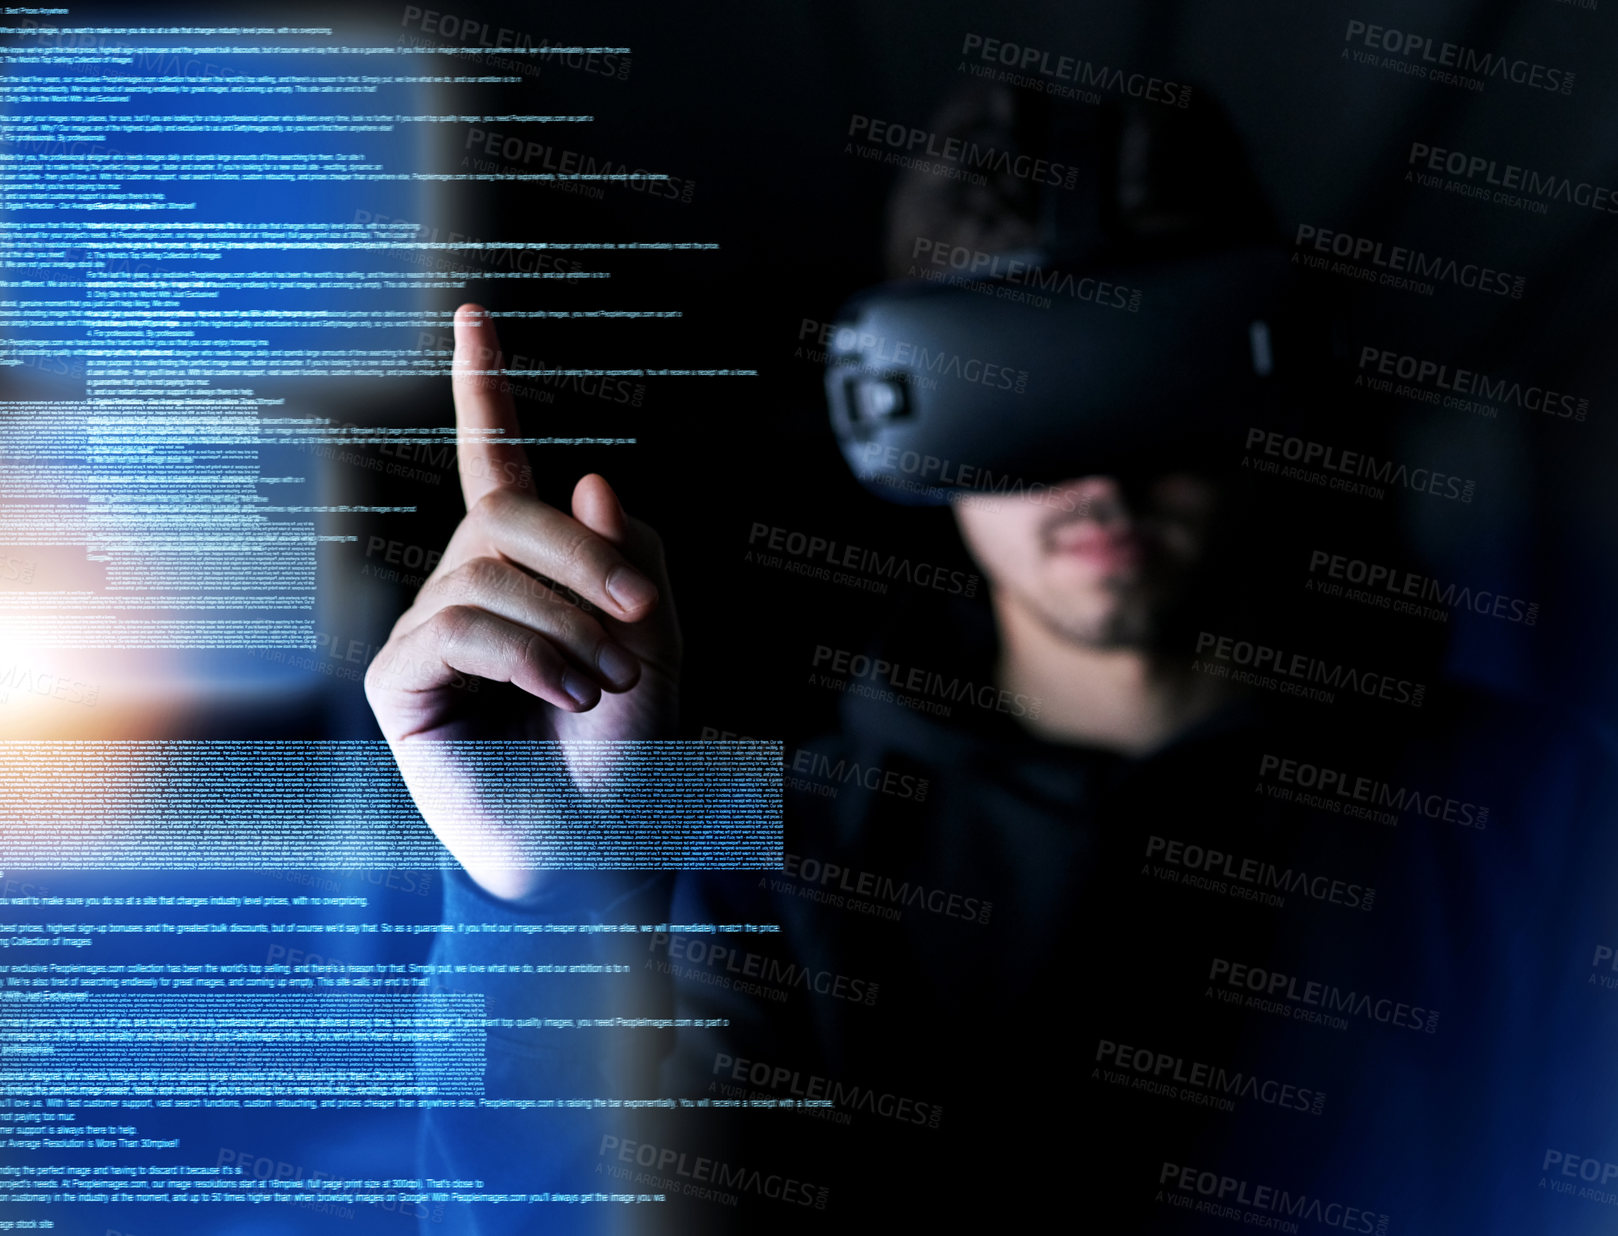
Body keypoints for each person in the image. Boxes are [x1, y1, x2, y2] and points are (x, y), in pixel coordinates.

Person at [367, 90, 1618, 1235]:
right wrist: (542, 908)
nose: (1095, 472)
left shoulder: (1537, 814)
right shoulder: (784, 853)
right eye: (1018, 394)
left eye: (1150, 369)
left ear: (1258, 368)